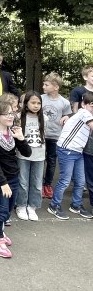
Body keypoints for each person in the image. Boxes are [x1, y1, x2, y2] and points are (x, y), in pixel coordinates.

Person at [0, 101, 31, 258]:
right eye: (7, 114)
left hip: (13, 176)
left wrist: (21, 138)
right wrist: (3, 183)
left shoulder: (13, 132)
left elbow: (27, 153)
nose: (11, 116)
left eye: (12, 113)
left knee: (8, 210)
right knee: (1, 210)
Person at [48, 91, 93, 220]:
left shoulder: (84, 113)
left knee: (80, 181)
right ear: (84, 104)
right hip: (67, 149)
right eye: (92, 105)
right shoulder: (84, 113)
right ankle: (53, 205)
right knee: (65, 180)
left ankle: (76, 205)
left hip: (78, 151)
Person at [15, 92, 46, 221]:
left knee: (37, 183)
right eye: (33, 103)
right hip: (23, 155)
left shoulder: (44, 118)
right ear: (26, 103)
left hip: (39, 156)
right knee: (23, 181)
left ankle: (32, 206)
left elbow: (45, 136)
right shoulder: (19, 117)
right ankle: (21, 205)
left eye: (38, 103)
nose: (36, 105)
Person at [41, 73, 71, 199]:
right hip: (41, 135)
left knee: (52, 161)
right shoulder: (41, 98)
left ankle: (47, 184)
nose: (43, 86)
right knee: (40, 160)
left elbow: (68, 115)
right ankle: (38, 184)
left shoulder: (64, 102)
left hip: (55, 136)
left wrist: (66, 117)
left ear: (56, 87)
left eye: (46, 85)